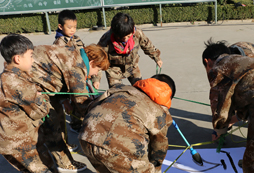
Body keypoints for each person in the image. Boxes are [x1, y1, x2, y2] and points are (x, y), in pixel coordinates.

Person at [0, 34, 84, 172]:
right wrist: (42, 98)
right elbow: (39, 112)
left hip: (15, 139)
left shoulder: (8, 76)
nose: (33, 60)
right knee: (43, 169)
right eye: (31, 56)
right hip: (21, 142)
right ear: (17, 59)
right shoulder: (18, 84)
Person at [79, 74, 175, 173]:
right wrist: (156, 169)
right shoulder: (160, 112)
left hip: (87, 137)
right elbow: (159, 146)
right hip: (119, 149)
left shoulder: (121, 88)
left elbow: (93, 106)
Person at [202, 38, 254, 173]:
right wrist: (234, 119)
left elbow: (220, 107)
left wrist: (220, 129)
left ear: (207, 62)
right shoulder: (243, 60)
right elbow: (246, 97)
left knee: (250, 165)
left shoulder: (218, 70)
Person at [95, 12, 163, 88]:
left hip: (132, 67)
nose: (125, 39)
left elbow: (147, 46)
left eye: (128, 36)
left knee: (140, 89)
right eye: (121, 37)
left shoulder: (137, 34)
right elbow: (98, 60)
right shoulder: (106, 40)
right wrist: (96, 79)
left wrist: (157, 58)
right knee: (117, 94)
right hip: (114, 70)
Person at [53, 9, 87, 145]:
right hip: (68, 80)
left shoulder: (76, 39)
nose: (73, 30)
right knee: (75, 103)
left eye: (75, 27)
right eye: (69, 27)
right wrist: (63, 99)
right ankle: (76, 127)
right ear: (60, 27)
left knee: (78, 103)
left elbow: (83, 54)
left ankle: (76, 124)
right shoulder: (58, 45)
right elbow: (58, 70)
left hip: (79, 76)